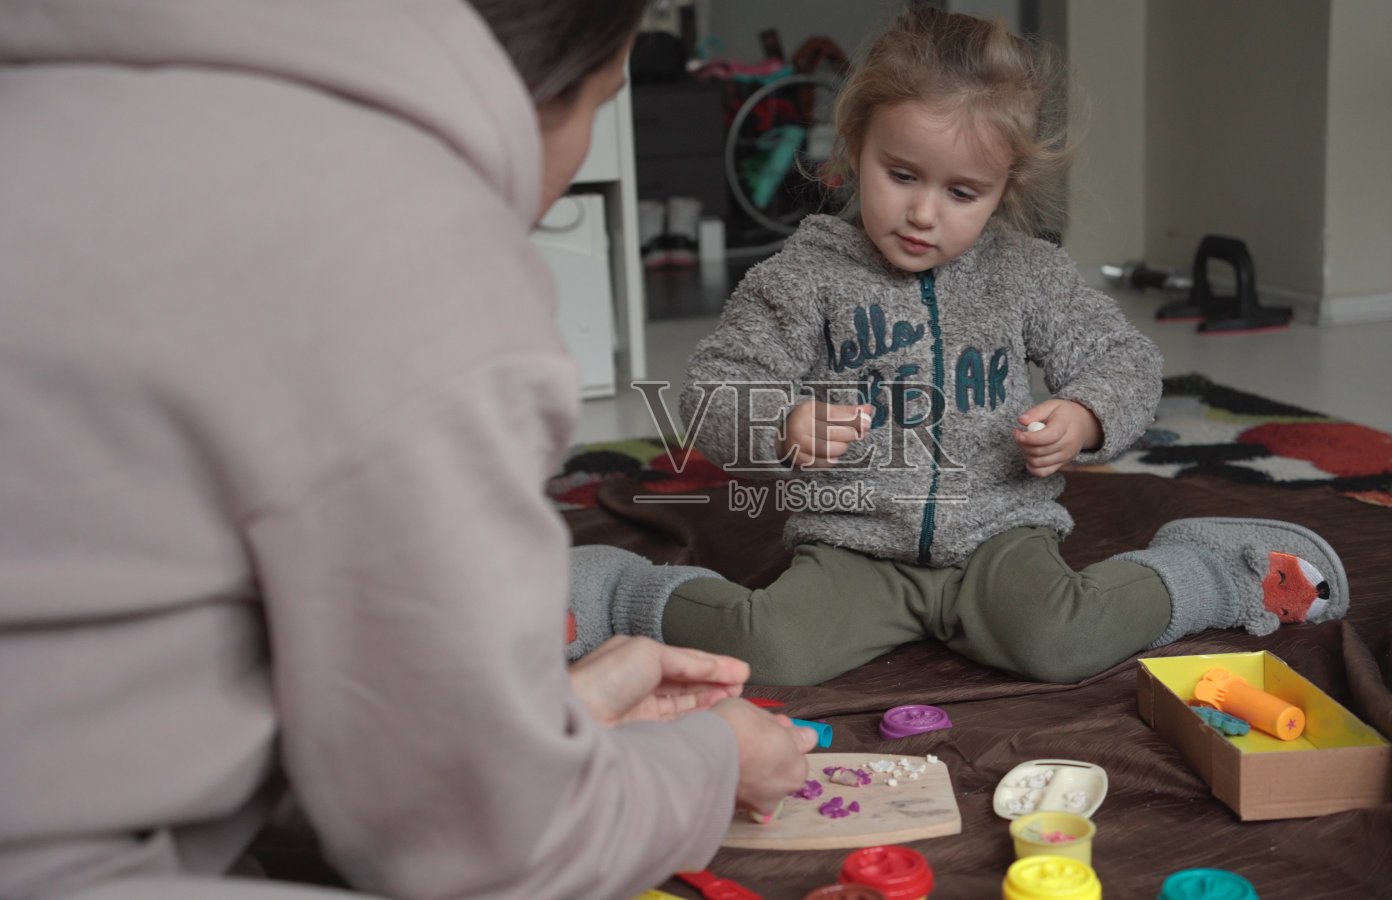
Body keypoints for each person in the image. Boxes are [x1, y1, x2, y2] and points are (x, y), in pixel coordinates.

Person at [0, 1, 813, 899]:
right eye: (603, 99)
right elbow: (492, 848)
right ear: (554, 79)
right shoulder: (408, 250)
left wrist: (551, 718)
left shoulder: (57, 106)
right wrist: (708, 765)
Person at [567, 6, 1350, 686]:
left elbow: (1126, 361)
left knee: (1065, 641)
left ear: (1005, 189)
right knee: (771, 651)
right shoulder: (805, 275)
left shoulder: (1027, 273)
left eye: (962, 192)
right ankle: (616, 594)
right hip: (856, 545)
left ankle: (1213, 569)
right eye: (902, 174)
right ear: (854, 146)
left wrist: (1084, 414)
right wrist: (782, 423)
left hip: (997, 537)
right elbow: (712, 388)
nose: (923, 214)